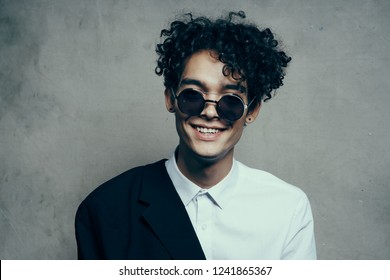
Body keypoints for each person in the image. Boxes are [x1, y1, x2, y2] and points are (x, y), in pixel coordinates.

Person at [75, 11, 316, 260]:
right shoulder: (106, 208)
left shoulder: (287, 208)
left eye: (230, 101)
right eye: (193, 95)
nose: (210, 112)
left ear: (251, 110)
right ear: (171, 98)